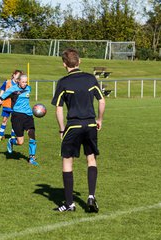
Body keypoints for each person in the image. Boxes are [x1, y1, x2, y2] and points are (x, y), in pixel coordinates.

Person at [51, 48, 105, 213]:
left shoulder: (63, 82)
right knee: (91, 159)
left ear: (64, 64)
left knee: (67, 161)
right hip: (90, 125)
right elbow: (101, 101)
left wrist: (61, 130)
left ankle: (69, 204)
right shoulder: (90, 78)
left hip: (73, 126)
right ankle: (90, 196)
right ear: (79, 62)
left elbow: (58, 109)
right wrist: (99, 119)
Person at [0, 74, 39, 166]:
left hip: (28, 115)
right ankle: (11, 141)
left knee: (32, 136)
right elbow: (4, 95)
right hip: (17, 116)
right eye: (23, 82)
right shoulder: (13, 89)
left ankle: (32, 157)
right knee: (20, 142)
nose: (24, 84)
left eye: (26, 82)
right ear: (18, 81)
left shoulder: (29, 88)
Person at [0, 69, 23, 142]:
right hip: (7, 104)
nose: (19, 77)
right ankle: (1, 135)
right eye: (18, 75)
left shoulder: (20, 85)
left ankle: (13, 136)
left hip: (16, 106)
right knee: (4, 120)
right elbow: (2, 92)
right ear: (13, 75)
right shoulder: (7, 82)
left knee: (14, 121)